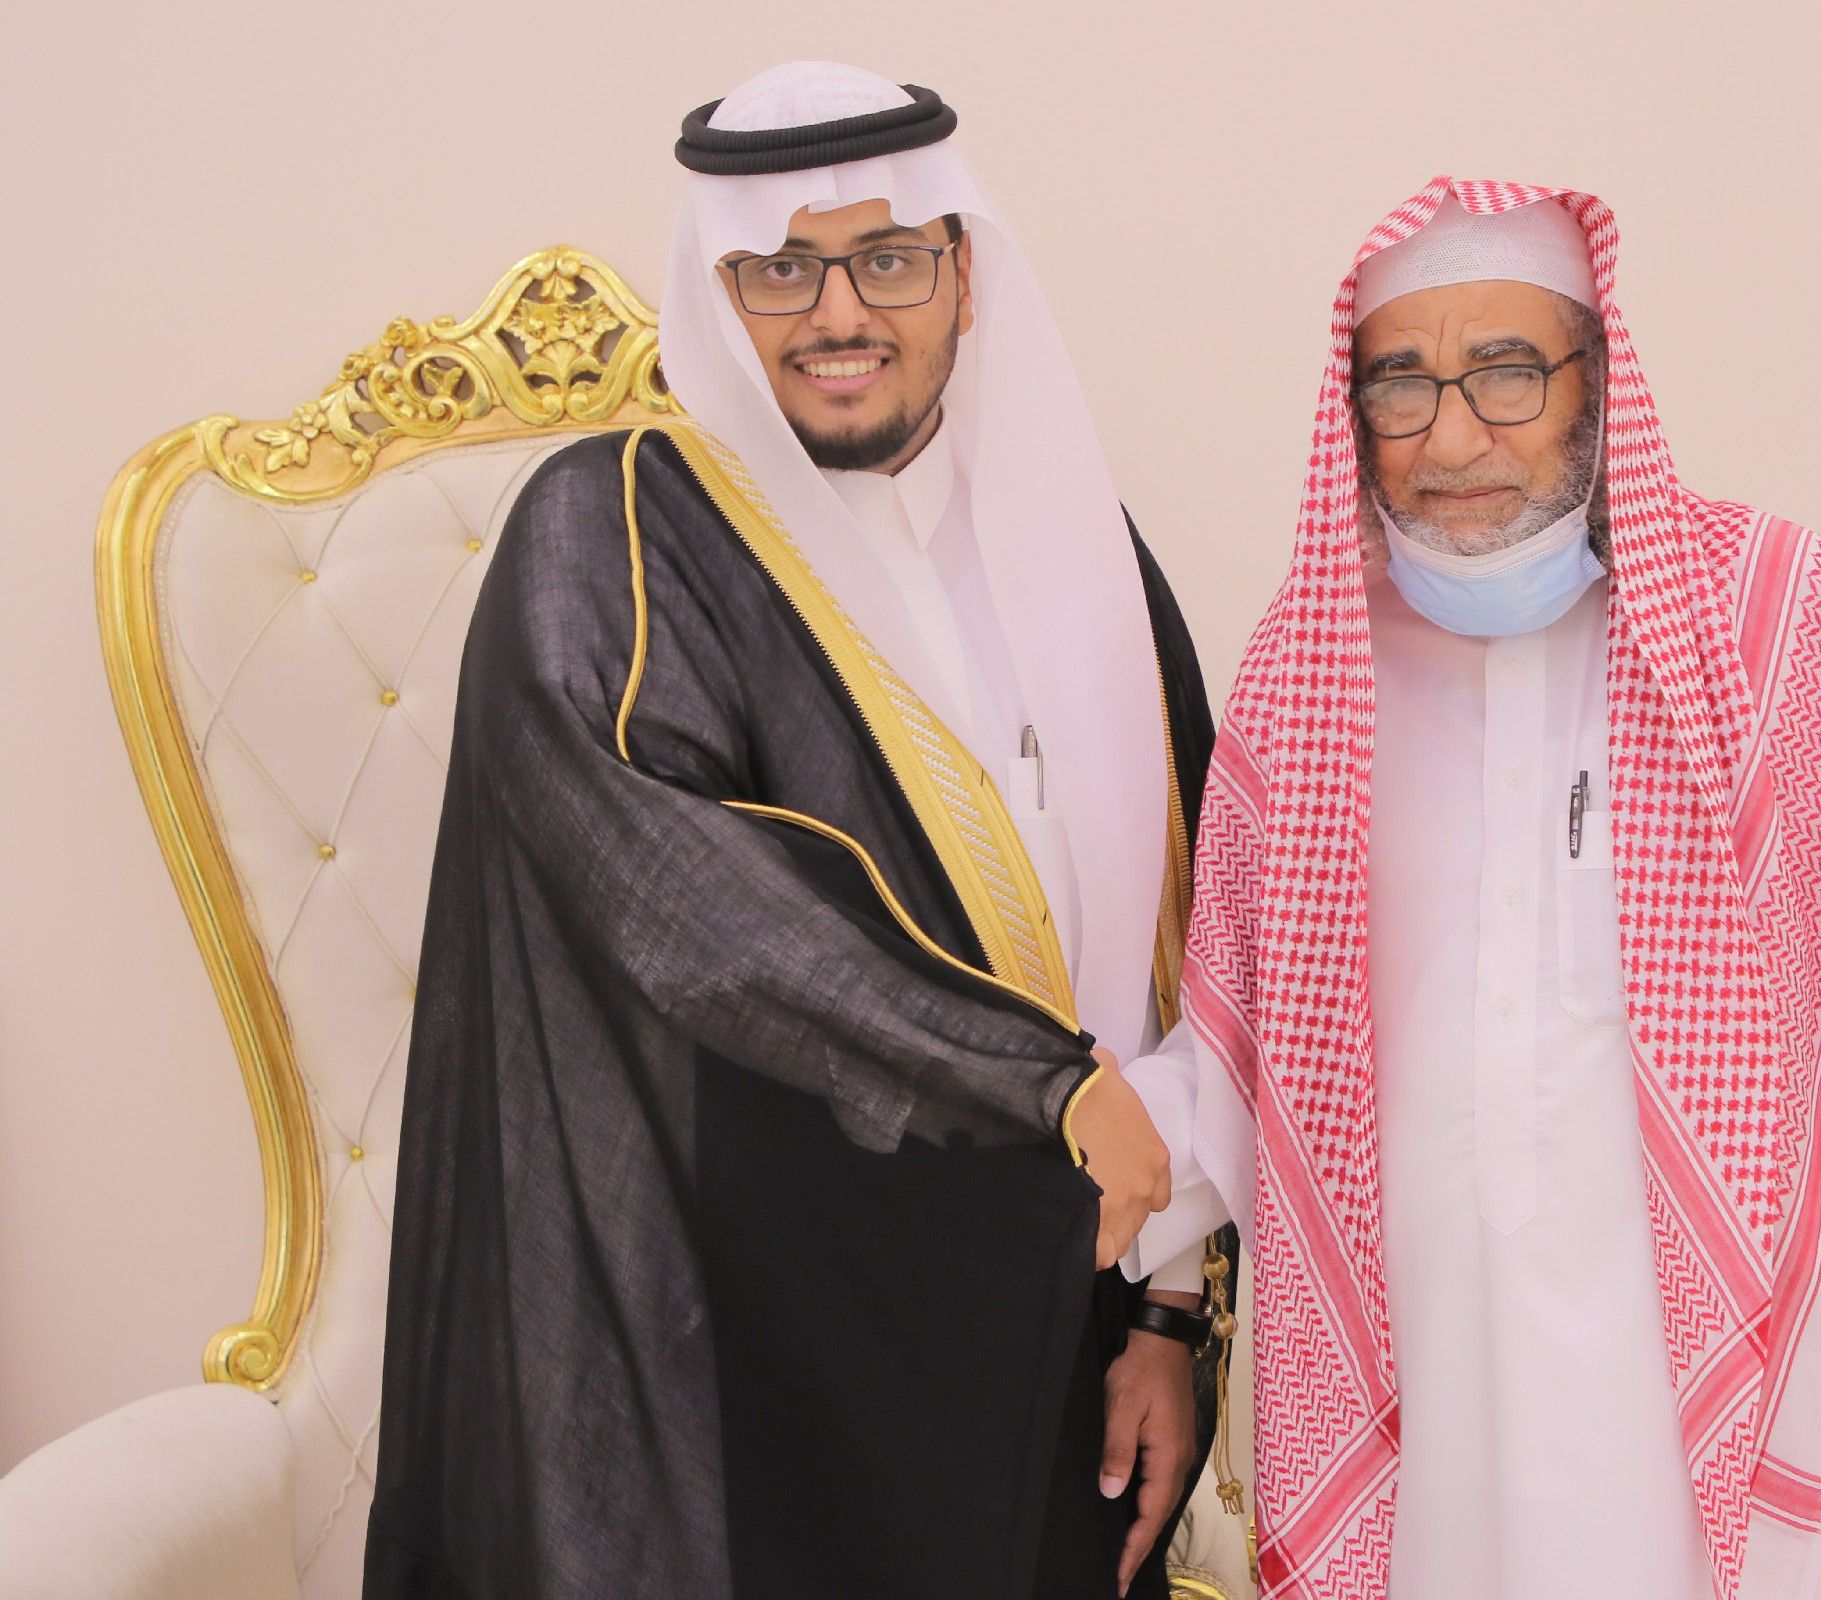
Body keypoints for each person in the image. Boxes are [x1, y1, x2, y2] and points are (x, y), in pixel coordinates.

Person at [364, 62, 1223, 1600]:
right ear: (719, 293)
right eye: (780, 268)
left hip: (1048, 1332)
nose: (839, 314)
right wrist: (1035, 1086)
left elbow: (1209, 941)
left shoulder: (1084, 552)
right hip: (754, 1378)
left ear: (963, 273)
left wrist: (1167, 1318)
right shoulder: (613, 531)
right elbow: (687, 907)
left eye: (886, 259)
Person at [1146, 179, 1821, 1600]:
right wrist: (1047, 1163)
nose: (1453, 436)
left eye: (1506, 371)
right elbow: (1240, 1053)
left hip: (1763, 1360)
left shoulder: (1784, 621)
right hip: (1441, 1387)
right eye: (1401, 384)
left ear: (1597, 377)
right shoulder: (1310, 672)